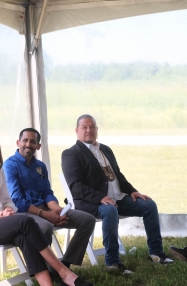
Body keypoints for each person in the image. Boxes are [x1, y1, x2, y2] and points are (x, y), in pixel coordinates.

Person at [0, 126, 93, 286]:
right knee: (27, 223)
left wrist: (8, 209)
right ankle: (63, 272)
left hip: (3, 222)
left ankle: (49, 283)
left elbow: (7, 199)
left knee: (23, 236)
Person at [61, 114, 174, 272]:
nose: (89, 130)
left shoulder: (105, 149)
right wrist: (101, 197)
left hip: (117, 198)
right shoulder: (71, 153)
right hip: (90, 202)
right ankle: (112, 263)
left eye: (92, 127)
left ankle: (156, 253)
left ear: (97, 129)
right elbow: (75, 186)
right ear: (76, 130)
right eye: (84, 127)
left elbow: (117, 175)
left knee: (149, 205)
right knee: (110, 210)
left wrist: (133, 191)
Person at [3, 128, 96, 271]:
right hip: (24, 213)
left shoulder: (40, 166)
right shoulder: (10, 165)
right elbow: (17, 201)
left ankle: (64, 265)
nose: (28, 144)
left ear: (38, 146)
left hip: (45, 209)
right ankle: (45, 271)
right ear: (18, 142)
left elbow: (47, 193)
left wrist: (56, 209)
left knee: (87, 220)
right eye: (25, 140)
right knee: (45, 227)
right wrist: (45, 215)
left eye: (33, 141)